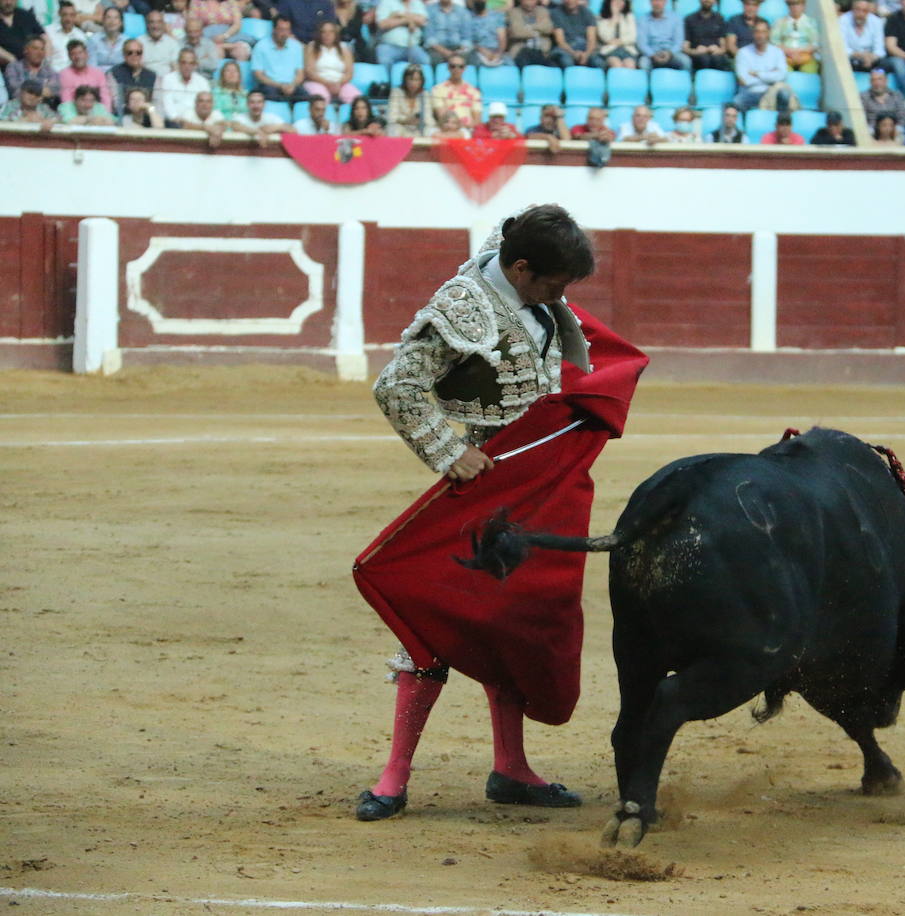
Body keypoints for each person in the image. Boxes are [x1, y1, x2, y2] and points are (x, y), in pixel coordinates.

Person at [357, 205, 639, 821]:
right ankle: (394, 775)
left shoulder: (519, 264)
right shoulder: (463, 307)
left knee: (510, 619)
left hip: (534, 481)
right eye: (552, 285)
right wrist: (448, 450)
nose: (559, 298)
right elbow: (397, 386)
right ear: (519, 268)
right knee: (434, 620)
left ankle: (510, 767)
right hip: (486, 480)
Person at [733, 18, 790, 110]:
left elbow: (782, 75)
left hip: (772, 91)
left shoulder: (777, 52)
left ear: (768, 33)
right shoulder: (743, 53)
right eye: (757, 32)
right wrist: (771, 76)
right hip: (751, 92)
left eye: (763, 32)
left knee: (785, 95)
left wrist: (757, 74)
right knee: (737, 101)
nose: (760, 35)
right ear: (753, 33)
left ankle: (781, 123)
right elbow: (744, 80)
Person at [303, 19, 360, 105]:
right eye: (324, 32)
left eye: (331, 32)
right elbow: (309, 72)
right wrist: (327, 84)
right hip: (318, 82)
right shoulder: (312, 47)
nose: (327, 35)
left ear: (335, 34)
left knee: (358, 100)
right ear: (319, 34)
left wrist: (338, 83)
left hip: (340, 83)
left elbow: (349, 73)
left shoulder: (344, 48)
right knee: (321, 99)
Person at [249, 16, 306, 102]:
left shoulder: (296, 47)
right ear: (274, 29)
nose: (284, 34)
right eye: (281, 30)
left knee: (306, 98)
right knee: (271, 95)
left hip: (292, 86)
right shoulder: (261, 46)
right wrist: (280, 85)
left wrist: (292, 85)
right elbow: (258, 75)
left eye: (287, 30)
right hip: (270, 85)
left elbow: (300, 74)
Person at [155, 46, 207, 122]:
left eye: (191, 63)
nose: (187, 66)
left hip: (196, 122)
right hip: (173, 122)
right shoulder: (168, 79)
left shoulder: (202, 82)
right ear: (178, 63)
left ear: (195, 65)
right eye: (184, 63)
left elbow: (205, 105)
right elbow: (167, 104)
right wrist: (176, 119)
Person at [430, 49, 480, 129]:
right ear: (448, 68)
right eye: (453, 66)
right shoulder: (437, 89)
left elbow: (477, 121)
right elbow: (442, 117)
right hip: (446, 129)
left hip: (468, 131)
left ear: (465, 68)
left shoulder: (474, 91)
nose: (456, 69)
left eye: (460, 66)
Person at [373, 0, 427, 70]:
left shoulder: (417, 2)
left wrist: (398, 15)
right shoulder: (386, 2)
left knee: (425, 61)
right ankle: (387, 81)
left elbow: (423, 21)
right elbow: (382, 24)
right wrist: (408, 20)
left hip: (412, 46)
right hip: (389, 46)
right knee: (384, 61)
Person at [58, 37, 110, 107]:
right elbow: (66, 102)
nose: (77, 57)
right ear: (69, 57)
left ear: (86, 54)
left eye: (80, 52)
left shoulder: (98, 74)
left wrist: (105, 114)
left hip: (97, 112)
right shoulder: (64, 75)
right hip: (74, 113)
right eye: (73, 54)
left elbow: (105, 97)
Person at [637, 0, 686, 70]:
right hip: (651, 54)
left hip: (671, 53)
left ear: (665, 2)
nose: (657, 3)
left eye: (660, 1)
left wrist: (669, 53)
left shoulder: (676, 18)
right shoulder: (642, 20)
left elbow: (679, 42)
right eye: (654, 1)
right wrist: (653, 55)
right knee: (643, 63)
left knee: (685, 61)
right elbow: (642, 44)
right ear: (650, 2)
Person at [5, 33, 56, 101]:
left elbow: (55, 89)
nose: (40, 52)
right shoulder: (13, 67)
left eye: (42, 49)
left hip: (45, 106)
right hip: (20, 107)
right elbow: (14, 89)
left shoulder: (48, 69)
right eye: (35, 49)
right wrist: (40, 90)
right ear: (25, 50)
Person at [771, 0, 818, 74]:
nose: (795, 7)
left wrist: (799, 52)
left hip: (805, 56)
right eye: (791, 4)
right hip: (785, 57)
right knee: (782, 72)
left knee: (810, 70)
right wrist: (789, 52)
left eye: (797, 4)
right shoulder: (779, 22)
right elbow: (774, 42)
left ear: (803, 5)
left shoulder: (811, 22)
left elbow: (815, 43)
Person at [386, 62, 432, 135]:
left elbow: (428, 118)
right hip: (401, 126)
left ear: (421, 81)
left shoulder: (425, 94)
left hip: (419, 127)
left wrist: (420, 121)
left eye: (417, 80)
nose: (413, 83)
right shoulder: (396, 92)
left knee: (430, 130)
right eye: (411, 79)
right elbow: (392, 117)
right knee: (393, 129)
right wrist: (407, 120)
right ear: (405, 79)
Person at [840, 0, 884, 72]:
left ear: (868, 12)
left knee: (890, 63)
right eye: (858, 10)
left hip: (872, 59)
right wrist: (860, 56)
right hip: (850, 58)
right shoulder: (843, 20)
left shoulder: (876, 21)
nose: (861, 14)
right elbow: (843, 48)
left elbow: (879, 50)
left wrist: (871, 57)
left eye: (864, 11)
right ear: (852, 9)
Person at [550, 0, 597, 68]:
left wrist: (586, 54)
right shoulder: (556, 13)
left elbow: (592, 40)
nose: (570, 1)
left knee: (597, 62)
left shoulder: (587, 12)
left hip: (584, 47)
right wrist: (574, 54)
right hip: (566, 48)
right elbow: (560, 41)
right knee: (566, 61)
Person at [423, 0, 470, 65]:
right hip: (436, 49)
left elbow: (466, 37)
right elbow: (429, 36)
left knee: (463, 58)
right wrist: (445, 52)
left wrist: (460, 50)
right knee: (434, 58)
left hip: (457, 48)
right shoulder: (429, 10)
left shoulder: (462, 11)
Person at [506, 0, 554, 66]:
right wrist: (539, 30)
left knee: (553, 64)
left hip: (542, 51)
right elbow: (516, 32)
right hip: (521, 51)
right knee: (526, 59)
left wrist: (528, 26)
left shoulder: (543, 11)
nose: (530, 2)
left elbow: (548, 28)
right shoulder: (513, 12)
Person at [467, 0, 508, 68]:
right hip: (477, 51)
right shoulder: (468, 17)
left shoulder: (497, 16)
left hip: (496, 51)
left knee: (508, 64)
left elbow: (502, 38)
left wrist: (498, 53)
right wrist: (482, 50)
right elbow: (468, 39)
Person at [595, 0, 636, 67]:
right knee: (616, 64)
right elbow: (606, 37)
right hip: (610, 50)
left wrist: (620, 41)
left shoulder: (629, 17)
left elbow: (632, 37)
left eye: (622, 1)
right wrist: (614, 16)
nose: (619, 3)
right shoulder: (601, 18)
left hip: (627, 50)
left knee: (630, 65)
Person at [44, 1, 82, 71]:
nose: (68, 19)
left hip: (74, 75)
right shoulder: (48, 32)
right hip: (53, 74)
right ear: (59, 14)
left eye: (71, 15)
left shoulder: (80, 36)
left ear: (75, 16)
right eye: (65, 15)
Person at [139, 10, 181, 75]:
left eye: (159, 22)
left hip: (166, 81)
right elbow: (136, 67)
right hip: (145, 81)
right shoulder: (138, 42)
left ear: (164, 24)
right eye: (152, 22)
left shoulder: (172, 43)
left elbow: (176, 68)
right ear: (147, 24)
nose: (155, 26)